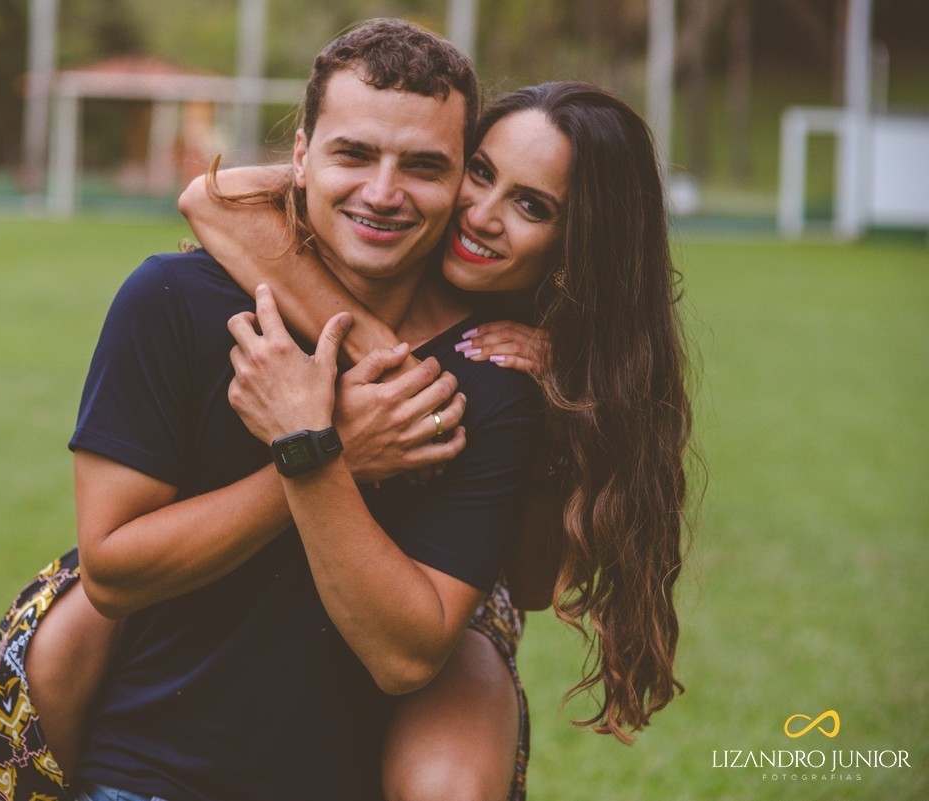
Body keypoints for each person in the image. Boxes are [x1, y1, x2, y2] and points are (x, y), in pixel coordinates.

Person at [0, 19, 547, 801]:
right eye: (353, 154)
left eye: (423, 166)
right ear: (301, 153)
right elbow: (111, 570)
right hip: (148, 777)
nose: (383, 193)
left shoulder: (478, 377)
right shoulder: (170, 300)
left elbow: (410, 653)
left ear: (459, 185)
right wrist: (322, 450)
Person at [177, 80, 695, 798]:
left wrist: (559, 410)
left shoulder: (533, 359)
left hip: (446, 593)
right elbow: (211, 197)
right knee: (60, 647)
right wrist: (394, 359)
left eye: (532, 205)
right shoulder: (389, 215)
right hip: (258, 555)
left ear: (578, 243)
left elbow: (535, 584)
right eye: (479, 173)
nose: (480, 215)